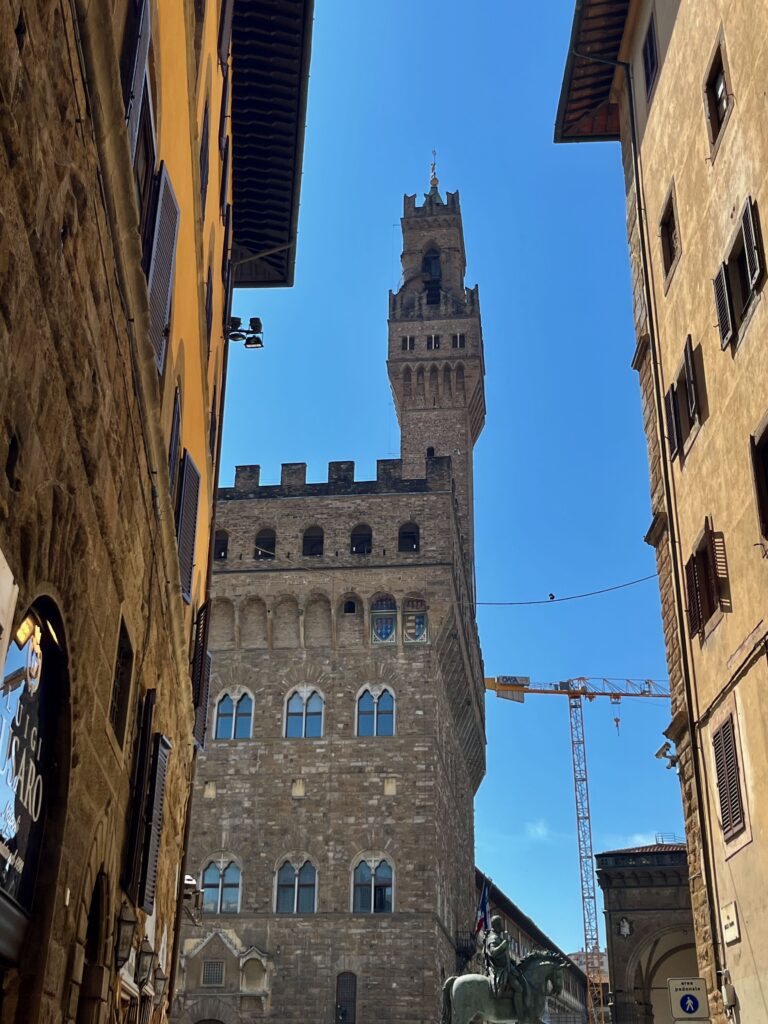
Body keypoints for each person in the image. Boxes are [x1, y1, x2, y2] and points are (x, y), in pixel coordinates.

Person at [484, 916, 525, 1005]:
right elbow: (493, 952)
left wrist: (511, 960)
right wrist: (504, 944)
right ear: (497, 925)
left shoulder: (498, 937)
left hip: (507, 966)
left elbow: (503, 954)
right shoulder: (493, 938)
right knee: (518, 988)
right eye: (500, 924)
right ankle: (520, 1015)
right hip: (500, 969)